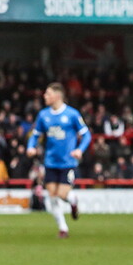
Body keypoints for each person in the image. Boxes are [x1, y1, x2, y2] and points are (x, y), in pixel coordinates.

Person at [27, 82, 92, 238]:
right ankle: (63, 228)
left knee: (62, 194)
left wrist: (79, 150)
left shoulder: (72, 114)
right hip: (50, 162)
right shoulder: (43, 115)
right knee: (52, 195)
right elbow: (35, 134)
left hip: (67, 162)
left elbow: (87, 135)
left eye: (48, 94)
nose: (45, 96)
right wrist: (31, 146)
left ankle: (73, 200)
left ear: (57, 96)